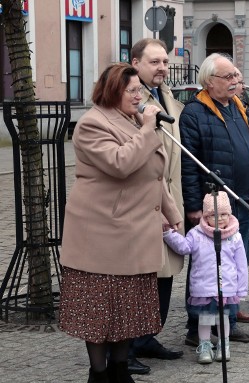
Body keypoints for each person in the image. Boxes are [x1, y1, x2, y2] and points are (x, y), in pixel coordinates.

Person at [58, 62, 183, 383]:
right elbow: (120, 164)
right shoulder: (92, 124)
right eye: (132, 90)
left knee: (128, 310)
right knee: (100, 312)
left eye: (139, 90)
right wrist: (146, 130)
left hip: (136, 233)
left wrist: (172, 216)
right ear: (113, 90)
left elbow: (153, 175)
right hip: (102, 237)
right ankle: (98, 374)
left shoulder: (133, 120)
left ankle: (119, 369)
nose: (139, 96)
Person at [180, 53, 249, 344]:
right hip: (213, 206)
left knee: (234, 263)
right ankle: (198, 329)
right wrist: (193, 206)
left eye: (235, 76)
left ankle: (228, 320)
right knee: (207, 268)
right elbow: (188, 164)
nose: (234, 81)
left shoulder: (238, 106)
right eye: (228, 77)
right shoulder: (195, 112)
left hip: (241, 200)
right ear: (209, 81)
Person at [128, 37, 184, 374]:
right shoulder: (133, 99)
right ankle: (128, 345)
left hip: (170, 199)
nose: (162, 67)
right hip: (145, 204)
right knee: (140, 278)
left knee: (166, 273)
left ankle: (149, 336)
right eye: (154, 62)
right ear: (135, 63)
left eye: (164, 61)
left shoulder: (167, 95)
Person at [163, 192, 248, 364]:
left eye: (224, 215)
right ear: (206, 216)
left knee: (223, 319)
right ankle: (205, 345)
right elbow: (184, 247)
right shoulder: (196, 234)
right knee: (206, 319)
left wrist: (241, 288)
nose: (220, 219)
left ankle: (224, 345)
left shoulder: (235, 236)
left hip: (226, 288)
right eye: (214, 215)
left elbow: (241, 265)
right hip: (203, 288)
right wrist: (169, 234)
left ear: (229, 214)